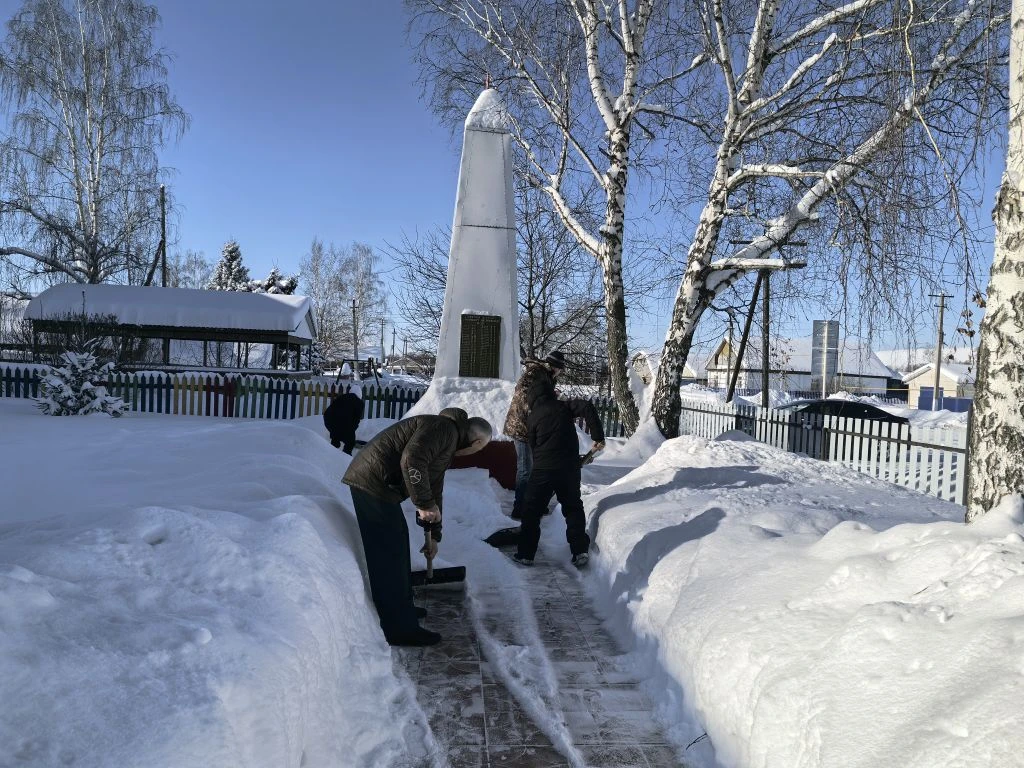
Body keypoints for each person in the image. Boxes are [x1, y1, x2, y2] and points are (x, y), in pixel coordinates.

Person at [343, 407, 492, 646]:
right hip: (372, 482)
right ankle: (399, 628)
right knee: (388, 554)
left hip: (382, 486)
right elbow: (411, 460)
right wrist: (423, 504)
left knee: (399, 544)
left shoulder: (447, 438)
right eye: (480, 449)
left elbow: (435, 489)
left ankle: (404, 609)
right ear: (476, 441)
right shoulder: (443, 429)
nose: (475, 452)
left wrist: (434, 535)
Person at [513, 388, 605, 569]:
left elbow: (533, 445)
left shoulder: (532, 418)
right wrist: (598, 436)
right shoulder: (564, 407)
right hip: (568, 469)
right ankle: (579, 551)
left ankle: (525, 554)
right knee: (573, 508)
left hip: (543, 471)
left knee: (531, 511)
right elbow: (586, 406)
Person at [502, 350, 566, 519]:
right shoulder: (536, 373)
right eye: (560, 369)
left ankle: (533, 504)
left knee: (536, 469)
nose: (560, 372)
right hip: (522, 427)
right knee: (525, 470)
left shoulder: (545, 375)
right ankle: (519, 508)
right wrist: (547, 401)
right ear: (554, 366)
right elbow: (525, 396)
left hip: (533, 428)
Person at [323, 378, 363, 454]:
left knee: (336, 436)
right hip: (342, 423)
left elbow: (333, 410)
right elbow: (356, 420)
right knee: (350, 442)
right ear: (360, 395)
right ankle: (345, 457)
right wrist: (351, 432)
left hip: (328, 419)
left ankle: (331, 453)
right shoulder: (359, 403)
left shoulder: (342, 397)